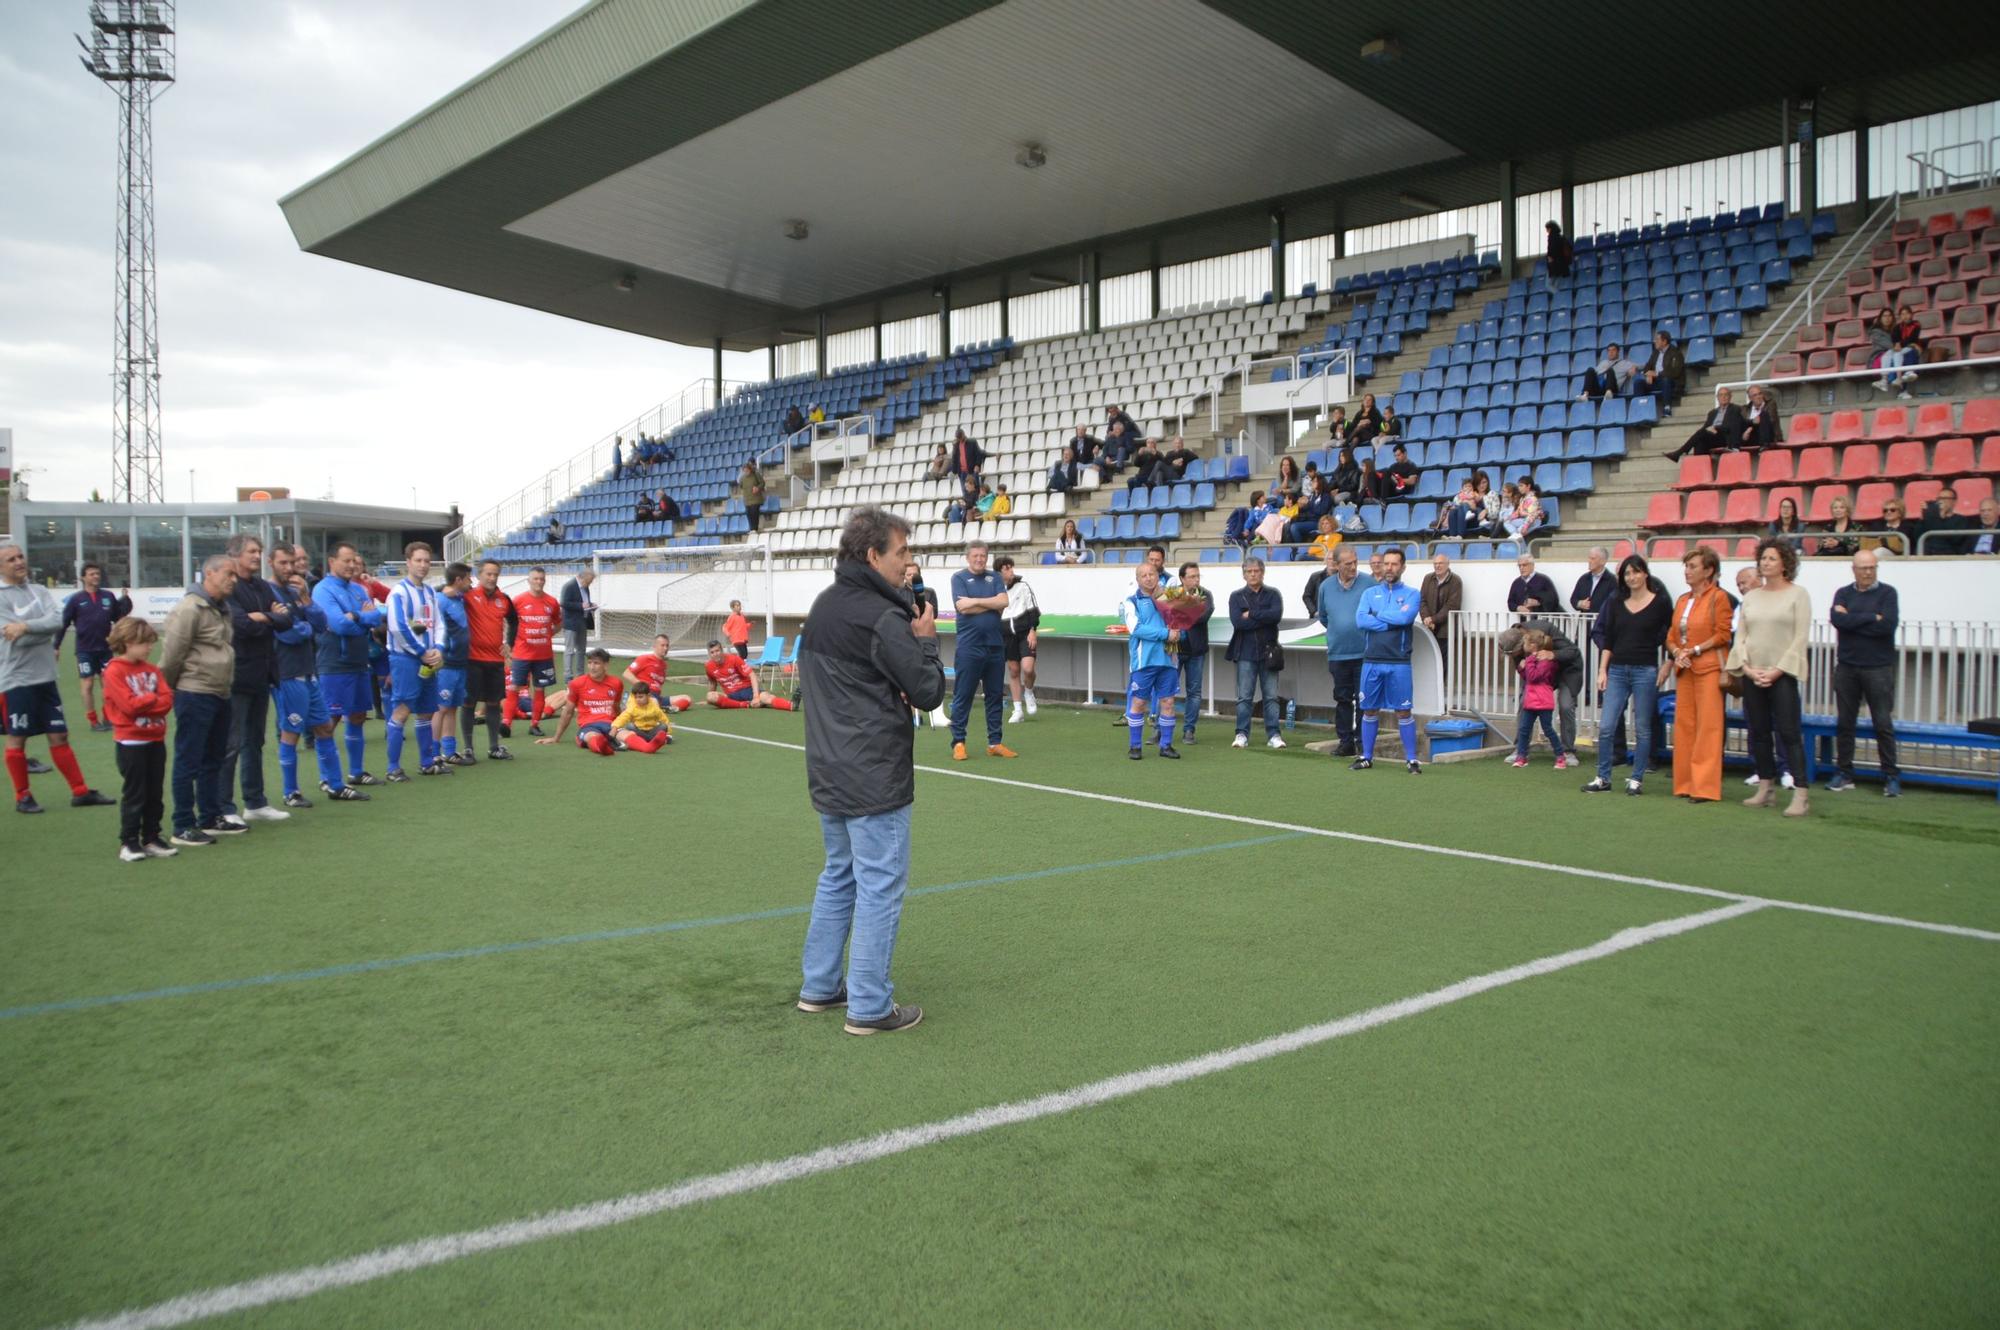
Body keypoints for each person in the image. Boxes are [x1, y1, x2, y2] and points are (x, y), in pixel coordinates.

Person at [796, 506, 945, 1035]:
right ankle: (868, 1005)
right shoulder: (880, 617)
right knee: (879, 884)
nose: (910, 562)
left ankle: (819, 986)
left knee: (840, 876)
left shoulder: (824, 606)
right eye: (902, 552)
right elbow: (928, 692)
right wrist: (926, 640)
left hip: (829, 769)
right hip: (873, 773)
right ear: (872, 555)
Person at [1, 543, 115, 814]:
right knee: (18, 738)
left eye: (20, 557)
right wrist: (35, 630)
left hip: (46, 677)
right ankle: (23, 796)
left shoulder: (39, 591)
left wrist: (26, 627)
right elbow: (12, 636)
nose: (19, 562)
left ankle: (80, 792)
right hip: (16, 679)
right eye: (11, 559)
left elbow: (56, 622)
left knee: (60, 735)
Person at [269, 543, 366, 805]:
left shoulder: (296, 591)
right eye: (284, 563)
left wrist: (306, 601)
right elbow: (287, 632)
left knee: (324, 727)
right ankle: (291, 792)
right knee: (291, 731)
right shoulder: (269, 593)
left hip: (308, 671)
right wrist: (304, 626)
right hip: (287, 673)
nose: (291, 568)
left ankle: (335, 785)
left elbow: (321, 624)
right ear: (271, 563)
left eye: (294, 562)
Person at [159, 554, 242, 843]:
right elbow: (172, 654)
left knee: (214, 759)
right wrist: (171, 688)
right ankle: (182, 823)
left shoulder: (222, 608)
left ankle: (209, 817)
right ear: (209, 573)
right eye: (228, 574)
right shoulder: (190, 608)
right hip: (194, 692)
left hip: (220, 691)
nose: (234, 580)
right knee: (189, 759)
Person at [1728, 539, 1812, 817]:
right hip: (1753, 674)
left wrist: (1777, 670)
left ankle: (1801, 793)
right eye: (1763, 558)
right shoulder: (1751, 597)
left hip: (1782, 675)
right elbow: (1741, 637)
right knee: (1759, 732)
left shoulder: (1798, 595)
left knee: (1789, 733)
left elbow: (1800, 638)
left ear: (1786, 563)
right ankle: (1766, 787)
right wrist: (1748, 669)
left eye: (1772, 558)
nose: (1765, 563)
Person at [1582, 554, 1672, 795]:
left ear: (1645, 573)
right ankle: (1603, 777)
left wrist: (1668, 664)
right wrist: (1602, 670)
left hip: (1646, 669)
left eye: (1636, 572)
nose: (1632, 577)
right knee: (1606, 726)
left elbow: (1670, 636)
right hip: (1618, 669)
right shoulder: (1615, 602)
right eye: (1627, 573)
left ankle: (1636, 779)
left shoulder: (1660, 602)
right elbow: (1608, 639)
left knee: (1642, 728)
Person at [219, 533, 292, 823]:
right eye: (252, 551)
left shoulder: (261, 586)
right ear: (235, 554)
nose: (256, 556)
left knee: (254, 741)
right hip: (236, 675)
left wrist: (263, 617)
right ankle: (225, 807)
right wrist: (267, 617)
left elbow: (286, 619)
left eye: (259, 551)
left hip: (262, 674)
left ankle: (255, 802)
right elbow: (238, 624)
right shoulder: (230, 587)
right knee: (231, 743)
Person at [310, 542, 387, 789]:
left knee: (357, 716)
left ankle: (356, 772)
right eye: (347, 560)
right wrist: (360, 618)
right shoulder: (323, 590)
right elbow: (338, 624)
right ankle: (327, 777)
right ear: (332, 561)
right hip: (334, 663)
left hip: (359, 661)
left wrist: (356, 617)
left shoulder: (358, 589)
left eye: (355, 560)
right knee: (329, 720)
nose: (352, 565)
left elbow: (375, 618)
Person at [101, 616, 176, 861]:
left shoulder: (152, 670)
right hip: (130, 741)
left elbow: (167, 699)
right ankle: (129, 841)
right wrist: (151, 699)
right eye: (145, 643)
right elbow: (128, 706)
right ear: (128, 641)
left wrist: (148, 701)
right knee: (135, 792)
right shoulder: (114, 670)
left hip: (155, 738)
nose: (149, 647)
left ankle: (152, 837)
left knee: (155, 791)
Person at [1827, 549, 1901, 797]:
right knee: (1845, 723)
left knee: (1883, 723)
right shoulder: (1842, 592)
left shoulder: (1888, 593)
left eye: (1872, 567)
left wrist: (1854, 620)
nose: (1868, 572)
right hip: (1847, 666)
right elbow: (1838, 621)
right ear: (1854, 569)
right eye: (1863, 568)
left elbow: (1887, 626)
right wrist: (1872, 618)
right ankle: (1844, 772)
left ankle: (1891, 775)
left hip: (1878, 667)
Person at [1665, 547, 1734, 803]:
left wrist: (1693, 649)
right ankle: (1684, 782)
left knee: (1708, 727)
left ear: (1709, 571)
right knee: (1684, 726)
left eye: (1693, 566)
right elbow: (1671, 635)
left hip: (1709, 669)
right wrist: (1676, 651)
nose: (1687, 570)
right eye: (1687, 566)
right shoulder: (1682, 599)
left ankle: (1704, 786)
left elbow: (1723, 634)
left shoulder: (1719, 598)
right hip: (1685, 669)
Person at [1352, 548, 1424, 773]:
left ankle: (1411, 760)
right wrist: (1391, 619)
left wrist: (1378, 615)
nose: (1389, 568)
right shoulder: (1369, 593)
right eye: (1386, 564)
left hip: (1399, 661)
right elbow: (1361, 620)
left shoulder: (1412, 594)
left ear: (1402, 567)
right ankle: (1366, 757)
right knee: (1369, 709)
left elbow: (1405, 617)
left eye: (1394, 564)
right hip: (1372, 660)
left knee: (1403, 711)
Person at [381, 541, 446, 782]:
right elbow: (398, 628)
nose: (423, 565)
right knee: (402, 710)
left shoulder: (430, 592)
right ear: (408, 562)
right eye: (418, 560)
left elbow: (438, 624)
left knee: (427, 711)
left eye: (427, 561)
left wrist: (438, 648)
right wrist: (422, 652)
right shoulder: (398, 592)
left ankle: (427, 763)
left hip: (428, 659)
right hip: (406, 660)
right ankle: (392, 768)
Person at [947, 541, 1014, 760]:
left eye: (983, 556)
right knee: (963, 696)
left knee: (994, 696)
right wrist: (990, 603)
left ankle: (995, 742)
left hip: (995, 646)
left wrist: (975, 601)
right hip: (969, 647)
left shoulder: (994, 577)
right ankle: (958, 742)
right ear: (968, 557)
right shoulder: (958, 578)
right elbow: (962, 607)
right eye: (975, 556)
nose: (979, 559)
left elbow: (1003, 601)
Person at [57, 563, 132, 731]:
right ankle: (93, 721)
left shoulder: (108, 596)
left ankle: (108, 717)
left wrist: (125, 606)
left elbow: (118, 619)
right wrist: (56, 646)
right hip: (84, 649)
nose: (95, 577)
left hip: (105, 649)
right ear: (83, 577)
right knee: (88, 683)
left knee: (108, 685)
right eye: (91, 574)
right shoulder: (76, 599)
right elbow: (63, 624)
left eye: (97, 574)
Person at [1119, 563, 1182, 760]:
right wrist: (1165, 634)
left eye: (1151, 574)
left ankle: (1166, 746)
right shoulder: (1132, 601)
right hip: (1143, 662)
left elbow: (1180, 625)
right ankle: (1135, 746)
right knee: (1138, 703)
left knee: (1168, 703)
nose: (1148, 578)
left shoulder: (1170, 600)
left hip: (1168, 660)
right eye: (1143, 575)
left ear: (1158, 576)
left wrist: (1179, 633)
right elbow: (1136, 629)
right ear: (1137, 580)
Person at [1316, 545, 1373, 757]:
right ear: (1337, 564)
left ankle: (1362, 741)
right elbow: (1324, 616)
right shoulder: (1326, 586)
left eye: (1355, 562)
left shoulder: (1369, 584)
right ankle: (1345, 741)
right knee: (1342, 699)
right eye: (1348, 563)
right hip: (1338, 653)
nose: (1353, 566)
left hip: (1364, 653)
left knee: (1363, 700)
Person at [1228, 556, 1285, 749]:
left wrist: (1251, 613)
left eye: (1256, 571)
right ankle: (1241, 734)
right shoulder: (1236, 596)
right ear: (1244, 574)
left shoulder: (1273, 594)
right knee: (1244, 697)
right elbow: (1238, 623)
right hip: (1245, 653)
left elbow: (1275, 616)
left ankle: (1274, 735)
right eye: (1249, 571)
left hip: (1269, 653)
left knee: (1271, 697)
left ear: (1262, 572)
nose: (1253, 574)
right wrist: (1262, 616)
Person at [460, 560, 515, 761]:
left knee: (493, 704)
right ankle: (468, 749)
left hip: (495, 660)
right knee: (468, 703)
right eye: (488, 574)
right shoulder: (467, 596)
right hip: (472, 659)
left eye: (495, 575)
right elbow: (444, 590)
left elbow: (514, 620)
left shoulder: (504, 599)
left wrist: (510, 643)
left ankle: (494, 747)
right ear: (479, 575)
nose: (492, 578)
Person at [505, 567, 562, 736]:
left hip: (543, 655)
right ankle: (506, 723)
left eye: (541, 579)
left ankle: (535, 724)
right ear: (529, 580)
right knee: (514, 686)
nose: (538, 582)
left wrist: (548, 634)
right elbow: (510, 622)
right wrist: (510, 644)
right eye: (535, 579)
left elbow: (559, 622)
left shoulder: (551, 602)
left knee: (539, 689)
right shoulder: (518, 600)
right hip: (522, 653)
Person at [538, 647, 623, 755]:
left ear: (605, 665)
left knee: (630, 737)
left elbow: (616, 708)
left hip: (611, 725)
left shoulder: (616, 683)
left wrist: (619, 726)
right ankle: (605, 747)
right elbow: (568, 712)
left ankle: (647, 744)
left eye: (596, 663)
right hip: (589, 726)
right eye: (589, 663)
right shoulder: (577, 684)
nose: (592, 667)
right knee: (594, 738)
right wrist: (556, 737)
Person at [1510, 630, 1569, 768]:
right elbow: (1527, 676)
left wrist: (1528, 661)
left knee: (1548, 729)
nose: (1523, 646)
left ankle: (1560, 755)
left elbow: (1534, 676)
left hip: (1543, 702)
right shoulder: (1534, 660)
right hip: (1530, 701)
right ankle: (1521, 755)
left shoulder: (1546, 662)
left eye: (1525, 643)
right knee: (1524, 729)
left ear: (1533, 645)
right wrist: (1521, 668)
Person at [433, 561, 472, 766]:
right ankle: (433, 753)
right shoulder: (439, 600)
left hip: (461, 662)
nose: (470, 582)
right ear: (458, 580)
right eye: (468, 578)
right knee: (440, 708)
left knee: (453, 707)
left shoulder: (460, 598)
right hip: (445, 663)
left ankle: (449, 751)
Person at [1172, 561, 1214, 746]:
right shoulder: (1172, 593)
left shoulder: (1206, 595)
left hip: (1196, 650)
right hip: (1174, 649)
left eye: (1197, 576)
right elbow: (1168, 615)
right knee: (1166, 691)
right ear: (1182, 578)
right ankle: (1160, 729)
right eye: (1192, 576)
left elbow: (1202, 616)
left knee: (1194, 692)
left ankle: (1189, 730)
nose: (1196, 580)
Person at [996, 554, 1040, 723]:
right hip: (1006, 635)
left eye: (1011, 567)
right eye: (1007, 568)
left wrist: (1032, 630)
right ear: (999, 573)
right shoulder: (996, 590)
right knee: (1013, 671)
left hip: (1024, 633)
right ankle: (1018, 710)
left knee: (1028, 669)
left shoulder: (1023, 586)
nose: (1011, 571)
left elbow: (1033, 609)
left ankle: (1029, 692)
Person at [703, 639, 793, 710]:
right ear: (709, 654)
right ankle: (745, 704)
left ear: (722, 650)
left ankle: (790, 705)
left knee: (765, 697)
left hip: (747, 690)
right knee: (710, 697)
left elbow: (752, 675)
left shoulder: (734, 659)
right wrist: (709, 699)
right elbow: (712, 682)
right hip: (731, 695)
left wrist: (756, 696)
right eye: (712, 652)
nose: (715, 654)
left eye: (717, 651)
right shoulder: (708, 666)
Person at [1666, 387, 1747, 462]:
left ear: (1730, 396)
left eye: (1726, 395)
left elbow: (1731, 426)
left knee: (1701, 433)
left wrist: (1715, 428)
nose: (1724, 397)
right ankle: (1699, 468)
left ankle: (1679, 452)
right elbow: (1705, 427)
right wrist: (1708, 429)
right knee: (1699, 440)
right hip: (1712, 436)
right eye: (1721, 395)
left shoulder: (1735, 409)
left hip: (1725, 437)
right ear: (1717, 397)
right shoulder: (1712, 412)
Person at [621, 633, 694, 713]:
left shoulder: (664, 665)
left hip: (657, 698)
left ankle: (665, 709)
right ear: (655, 646)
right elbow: (626, 673)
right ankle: (639, 703)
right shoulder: (644, 659)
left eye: (667, 646)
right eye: (662, 645)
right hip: (645, 695)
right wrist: (643, 687)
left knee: (687, 699)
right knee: (654, 701)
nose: (665, 648)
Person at [1419, 551, 1461, 685]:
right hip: (1429, 627)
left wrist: (1433, 620)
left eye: (1440, 563)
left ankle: (1440, 688)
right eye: (1435, 563)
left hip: (1446, 630)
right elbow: (1422, 601)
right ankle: (1429, 686)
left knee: (1443, 661)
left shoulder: (1455, 581)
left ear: (1448, 564)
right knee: (1428, 659)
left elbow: (1452, 605)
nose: (1437, 566)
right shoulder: (1427, 578)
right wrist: (1426, 618)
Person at [611, 680, 673, 752]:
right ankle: (652, 741)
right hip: (639, 731)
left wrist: (668, 733)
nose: (638, 699)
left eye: (640, 697)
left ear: (648, 696)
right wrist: (614, 728)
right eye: (636, 697)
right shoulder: (632, 707)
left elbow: (663, 718)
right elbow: (622, 718)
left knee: (663, 726)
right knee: (630, 726)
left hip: (651, 731)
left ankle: (658, 739)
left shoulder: (654, 707)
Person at [559, 572, 597, 683]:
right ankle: (568, 676)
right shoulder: (569, 586)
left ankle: (580, 674)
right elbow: (564, 603)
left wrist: (591, 605)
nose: (589, 584)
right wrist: (580, 606)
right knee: (570, 650)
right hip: (571, 623)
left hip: (582, 622)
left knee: (581, 650)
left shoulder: (586, 588)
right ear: (582, 578)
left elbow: (585, 602)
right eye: (588, 581)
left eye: (590, 582)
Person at [1632, 330, 1684, 403]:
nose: (1655, 341)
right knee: (1638, 383)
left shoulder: (1675, 352)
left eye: (1657, 339)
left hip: (1671, 382)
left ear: (1664, 341)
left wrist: (1656, 374)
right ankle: (1641, 408)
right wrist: (1648, 375)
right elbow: (1647, 367)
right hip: (1656, 381)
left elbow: (1674, 372)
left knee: (1666, 380)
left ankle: (1667, 408)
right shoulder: (1656, 352)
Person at [1920, 486, 1976, 554]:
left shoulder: (1961, 520)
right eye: (1939, 498)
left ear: (1954, 502)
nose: (1941, 501)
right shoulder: (1931, 518)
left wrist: (1941, 516)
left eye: (1945, 498)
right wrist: (1922, 518)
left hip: (1948, 556)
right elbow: (1917, 536)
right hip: (1928, 556)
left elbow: (1955, 540)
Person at [1571, 548, 1616, 616]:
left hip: (1603, 623)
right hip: (1585, 623)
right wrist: (1580, 604)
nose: (1589, 561)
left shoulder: (1612, 580)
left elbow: (1615, 604)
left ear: (1603, 561)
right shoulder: (1584, 579)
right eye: (1589, 558)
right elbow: (1573, 599)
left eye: (1593, 558)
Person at [1739, 384, 1783, 449]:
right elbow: (1743, 423)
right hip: (1752, 437)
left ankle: (1764, 446)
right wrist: (1752, 422)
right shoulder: (1745, 409)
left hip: (1769, 436)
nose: (1758, 397)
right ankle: (1734, 446)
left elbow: (1771, 420)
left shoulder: (1770, 404)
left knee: (1764, 415)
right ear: (1750, 398)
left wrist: (1752, 424)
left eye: (1760, 394)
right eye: (1755, 395)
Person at [1545, 220, 1572, 291]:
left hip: (1554, 265)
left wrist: (1550, 258)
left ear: (1550, 229)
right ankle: (1559, 299)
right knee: (1556, 286)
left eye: (1547, 229)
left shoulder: (1552, 238)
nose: (1547, 231)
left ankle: (1559, 296)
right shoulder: (1561, 237)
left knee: (1548, 285)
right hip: (1562, 266)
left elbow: (1552, 251)